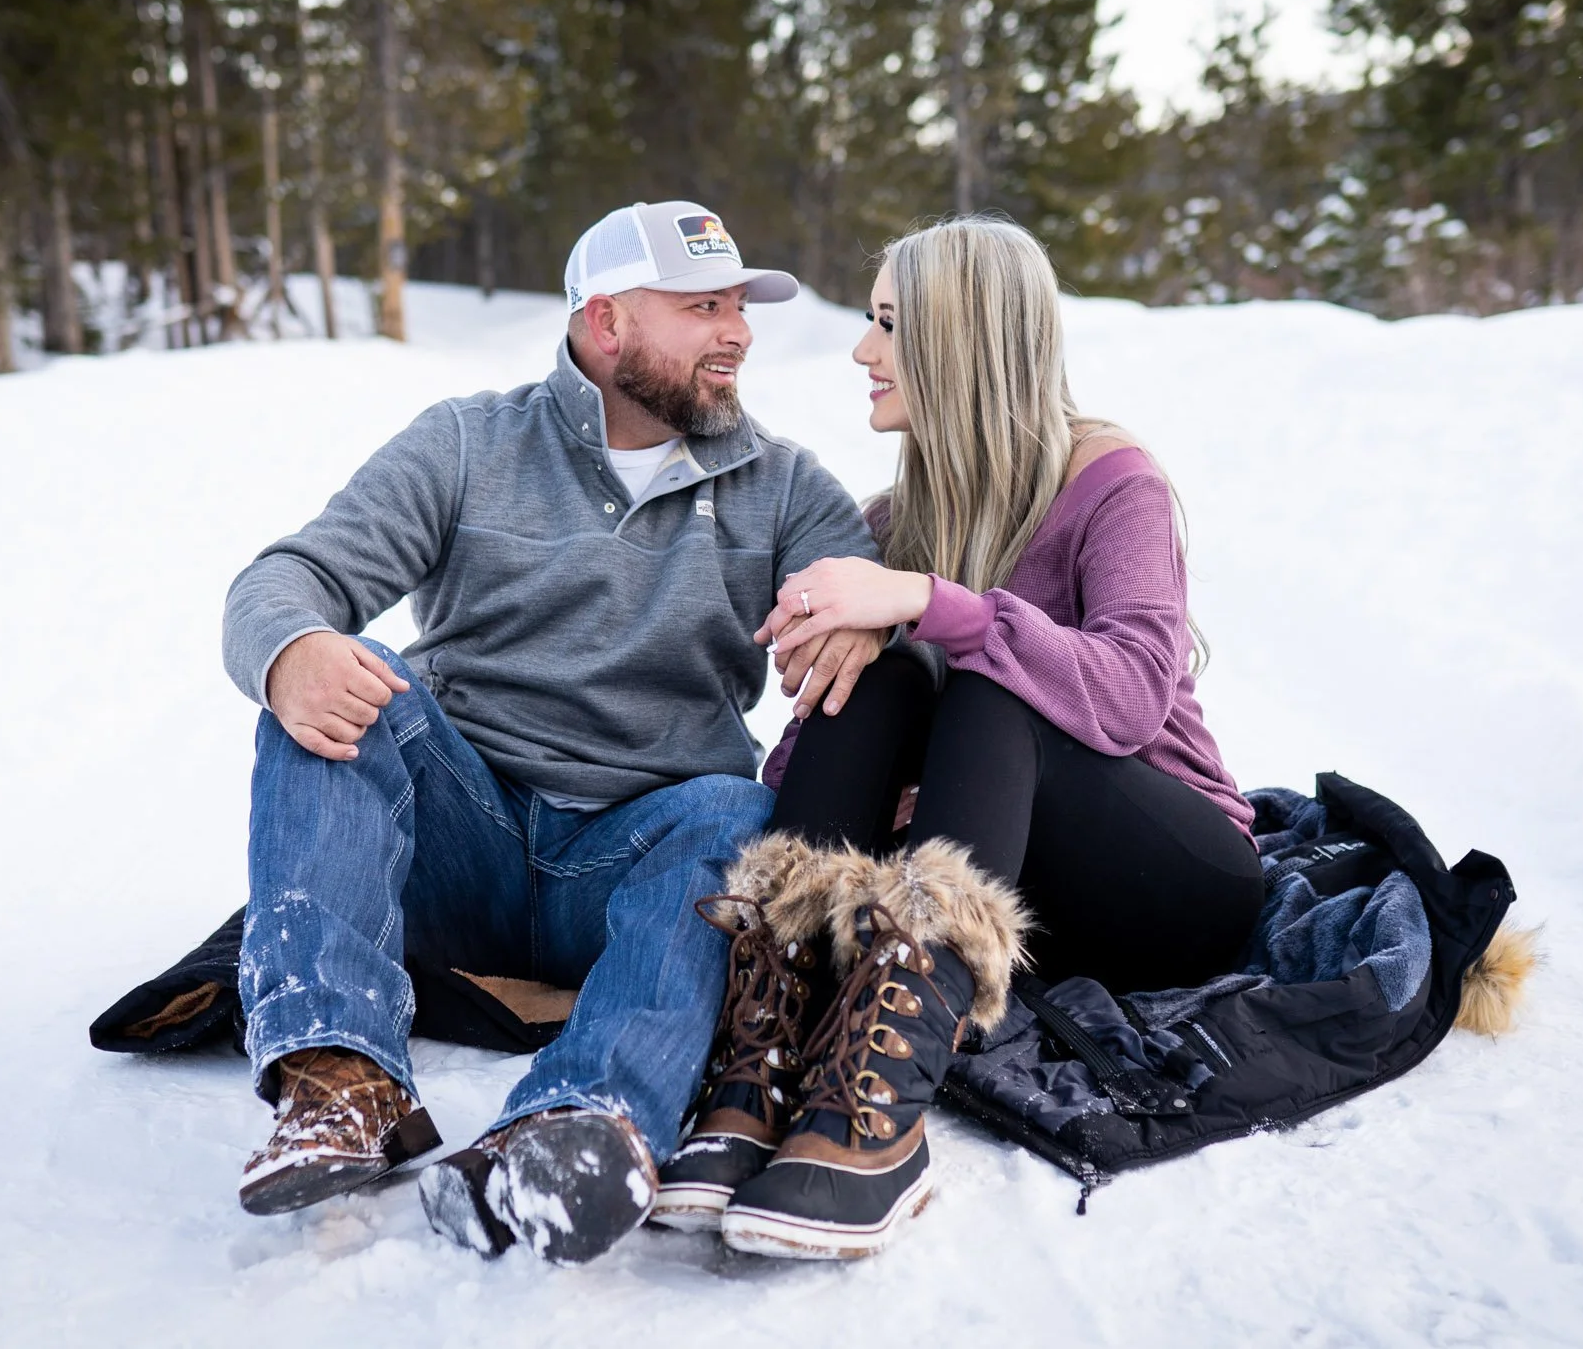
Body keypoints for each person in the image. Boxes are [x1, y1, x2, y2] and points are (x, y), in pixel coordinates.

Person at [222, 200, 883, 1266]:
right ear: (608, 321)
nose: (740, 333)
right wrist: (288, 649)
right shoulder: (469, 441)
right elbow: (290, 578)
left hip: (636, 863)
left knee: (738, 809)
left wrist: (874, 616)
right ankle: (340, 1080)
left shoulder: (786, 487)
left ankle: (582, 1121)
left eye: (740, 308)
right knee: (346, 681)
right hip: (459, 840)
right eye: (704, 306)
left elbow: (869, 624)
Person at [651, 216, 1264, 1260]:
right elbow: (807, 758)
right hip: (1017, 902)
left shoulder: (1114, 484)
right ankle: (763, 1055)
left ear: (959, 338)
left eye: (886, 324)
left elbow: (1129, 694)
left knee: (990, 687)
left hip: (1174, 882)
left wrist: (939, 604)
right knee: (890, 670)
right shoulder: (895, 519)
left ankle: (879, 1108)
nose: (861, 351)